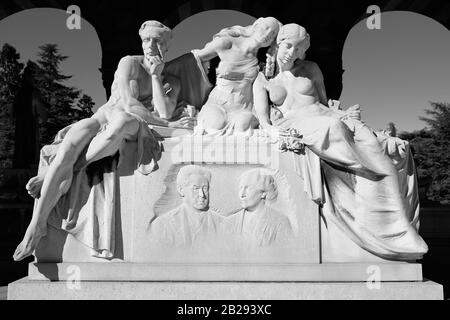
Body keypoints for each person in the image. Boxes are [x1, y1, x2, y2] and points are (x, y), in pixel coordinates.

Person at [13, 21, 196, 261]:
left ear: (167, 46)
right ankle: (35, 225)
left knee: (119, 123)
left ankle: (70, 170)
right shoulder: (128, 62)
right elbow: (129, 103)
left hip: (132, 124)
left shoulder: (171, 81)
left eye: (158, 41)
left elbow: (162, 114)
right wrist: (168, 122)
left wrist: (154, 77)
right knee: (69, 143)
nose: (151, 46)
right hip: (104, 115)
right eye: (147, 40)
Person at [252, 23, 428, 260]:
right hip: (297, 125)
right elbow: (263, 120)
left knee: (372, 142)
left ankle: (396, 228)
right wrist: (272, 131)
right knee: (337, 130)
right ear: (277, 43)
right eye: (288, 45)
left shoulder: (311, 68)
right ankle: (380, 213)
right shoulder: (261, 80)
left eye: (298, 49)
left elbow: (325, 103)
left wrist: (346, 116)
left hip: (323, 117)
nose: (291, 53)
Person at [193, 17, 281, 135]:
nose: (268, 34)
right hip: (217, 104)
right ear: (255, 26)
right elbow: (194, 59)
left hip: (243, 109)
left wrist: (265, 122)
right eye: (266, 28)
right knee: (214, 124)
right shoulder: (227, 43)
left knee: (242, 127)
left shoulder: (262, 62)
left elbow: (259, 92)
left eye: (273, 34)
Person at [150, 165, 224, 247]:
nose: (202, 194)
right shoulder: (163, 225)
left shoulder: (221, 223)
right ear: (181, 190)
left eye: (205, 188)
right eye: (196, 188)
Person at [227, 168, 293, 247]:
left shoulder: (280, 222)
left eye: (247, 188)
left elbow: (287, 254)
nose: (242, 194)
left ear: (263, 193)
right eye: (241, 188)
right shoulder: (230, 222)